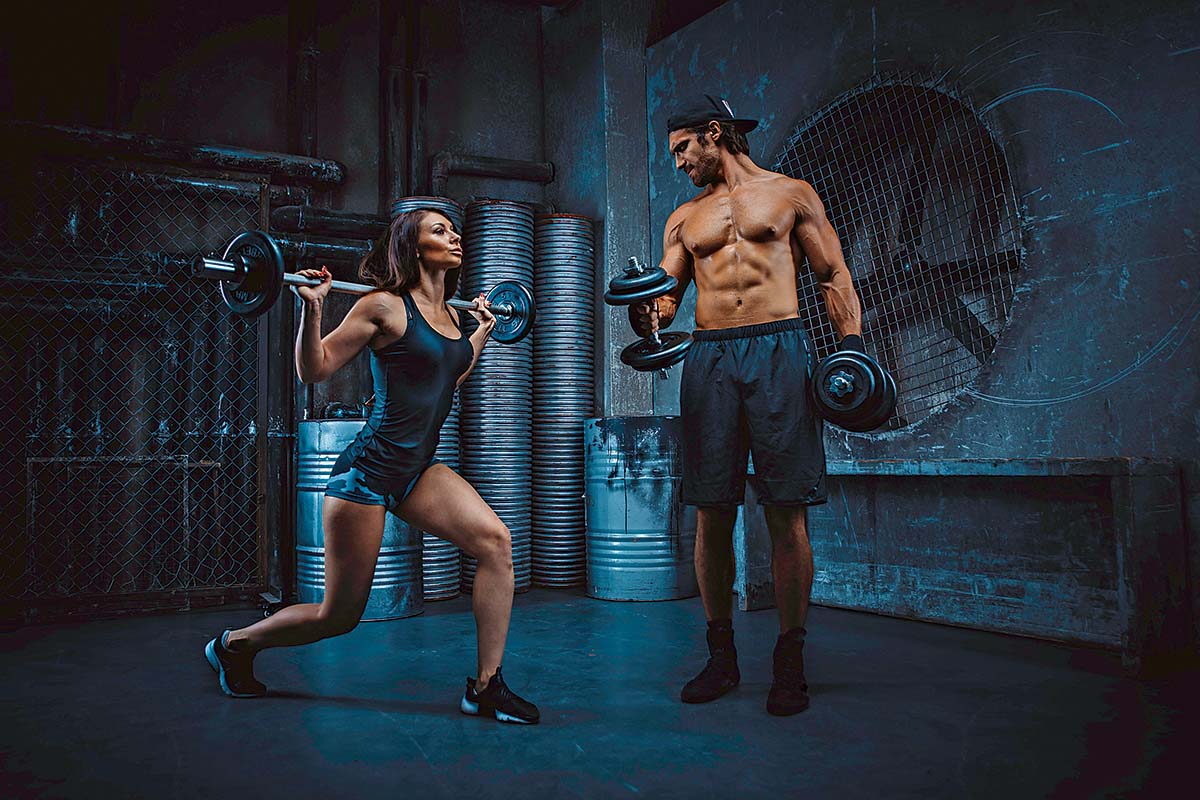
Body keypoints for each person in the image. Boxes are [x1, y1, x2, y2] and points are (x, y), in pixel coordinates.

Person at [204, 208, 540, 725]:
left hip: (418, 470)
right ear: (412, 246)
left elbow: (448, 373)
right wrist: (311, 309)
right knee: (338, 617)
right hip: (367, 472)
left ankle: (486, 686)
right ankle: (233, 644)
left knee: (495, 543)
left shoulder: (451, 315)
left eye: (453, 229)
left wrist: (484, 330)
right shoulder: (382, 306)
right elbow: (313, 368)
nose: (454, 236)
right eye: (439, 230)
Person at [633, 95, 864, 716]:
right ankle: (721, 658)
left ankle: (789, 663)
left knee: (787, 510)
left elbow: (833, 275)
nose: (678, 163)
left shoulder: (791, 195)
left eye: (683, 149)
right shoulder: (684, 220)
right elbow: (664, 301)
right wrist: (643, 309)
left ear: (714, 134)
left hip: (781, 349)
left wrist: (853, 351)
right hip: (710, 357)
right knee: (711, 511)